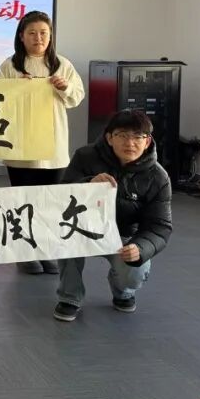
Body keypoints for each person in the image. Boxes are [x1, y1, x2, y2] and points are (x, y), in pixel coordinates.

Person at [53, 110, 172, 322]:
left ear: (147, 141)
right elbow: (61, 196)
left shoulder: (158, 177)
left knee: (136, 268)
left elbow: (159, 227)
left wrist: (140, 248)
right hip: (82, 228)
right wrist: (87, 185)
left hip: (123, 236)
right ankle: (69, 296)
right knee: (65, 237)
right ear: (109, 138)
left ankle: (123, 291)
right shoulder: (85, 157)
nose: (130, 143)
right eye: (122, 135)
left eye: (138, 137)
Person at [0, 10, 84, 275]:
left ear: (51, 36)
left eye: (44, 33)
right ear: (21, 36)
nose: (38, 38)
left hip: (53, 146)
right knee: (22, 201)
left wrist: (64, 87)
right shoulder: (10, 66)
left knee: (49, 202)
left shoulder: (62, 65)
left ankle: (46, 250)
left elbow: (77, 97)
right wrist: (15, 88)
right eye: (32, 33)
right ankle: (25, 253)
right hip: (21, 147)